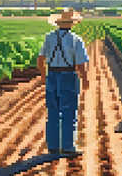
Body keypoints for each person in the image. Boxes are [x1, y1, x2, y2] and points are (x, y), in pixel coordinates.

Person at [36, 8, 90, 155]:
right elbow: (80, 64)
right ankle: (68, 147)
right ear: (72, 24)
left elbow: (40, 60)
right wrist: (85, 80)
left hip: (52, 75)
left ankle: (53, 146)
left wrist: (43, 77)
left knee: (53, 111)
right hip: (68, 75)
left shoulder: (49, 38)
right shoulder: (76, 40)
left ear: (58, 23)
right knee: (69, 111)